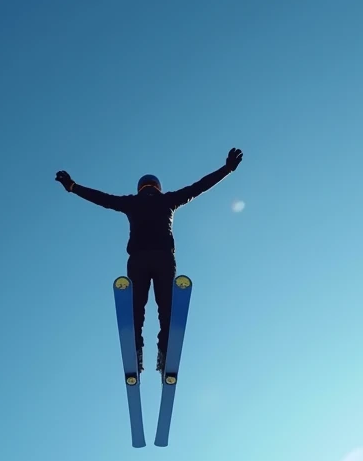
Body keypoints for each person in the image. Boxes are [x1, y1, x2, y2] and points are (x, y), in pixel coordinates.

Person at [55, 149, 243, 371]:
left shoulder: (131, 202)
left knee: (136, 309)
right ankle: (165, 353)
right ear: (158, 186)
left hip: (138, 260)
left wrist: (74, 187)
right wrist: (227, 169)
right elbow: (199, 187)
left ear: (140, 188)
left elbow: (103, 199)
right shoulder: (169, 200)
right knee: (167, 308)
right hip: (163, 258)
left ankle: (135, 353)